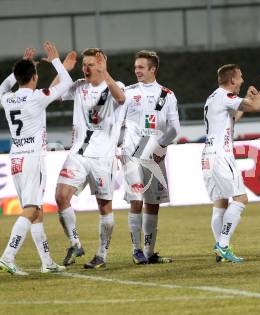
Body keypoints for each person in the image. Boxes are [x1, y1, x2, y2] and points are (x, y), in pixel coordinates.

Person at [0, 42, 73, 275]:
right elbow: (67, 83)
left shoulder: (7, 98)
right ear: (34, 77)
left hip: (16, 159)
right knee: (31, 208)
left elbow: (3, 86)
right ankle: (8, 256)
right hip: (32, 158)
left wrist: (22, 66)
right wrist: (57, 61)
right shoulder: (37, 97)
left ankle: (47, 261)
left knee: (35, 210)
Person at [55, 48, 126, 269]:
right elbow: (53, 93)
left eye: (91, 64)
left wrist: (106, 73)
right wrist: (62, 68)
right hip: (78, 153)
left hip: (102, 158)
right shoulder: (78, 86)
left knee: (104, 207)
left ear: (101, 65)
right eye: (84, 64)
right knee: (61, 197)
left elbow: (121, 99)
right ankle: (75, 243)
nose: (86, 68)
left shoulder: (116, 85)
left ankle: (101, 255)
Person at [202, 64, 260, 263]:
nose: (242, 81)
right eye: (240, 77)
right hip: (221, 155)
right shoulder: (225, 96)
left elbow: (234, 115)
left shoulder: (214, 97)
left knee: (220, 203)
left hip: (208, 155)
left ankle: (221, 249)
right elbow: (257, 107)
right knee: (240, 199)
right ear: (232, 80)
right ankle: (223, 245)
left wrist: (249, 98)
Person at [120, 50, 180, 264]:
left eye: (141, 67)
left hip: (154, 155)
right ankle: (136, 250)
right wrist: (118, 148)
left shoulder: (167, 95)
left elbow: (175, 128)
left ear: (152, 69)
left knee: (153, 204)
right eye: (136, 67)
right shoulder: (127, 92)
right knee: (136, 200)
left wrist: (160, 146)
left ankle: (148, 252)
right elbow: (116, 123)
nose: (137, 70)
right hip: (131, 155)